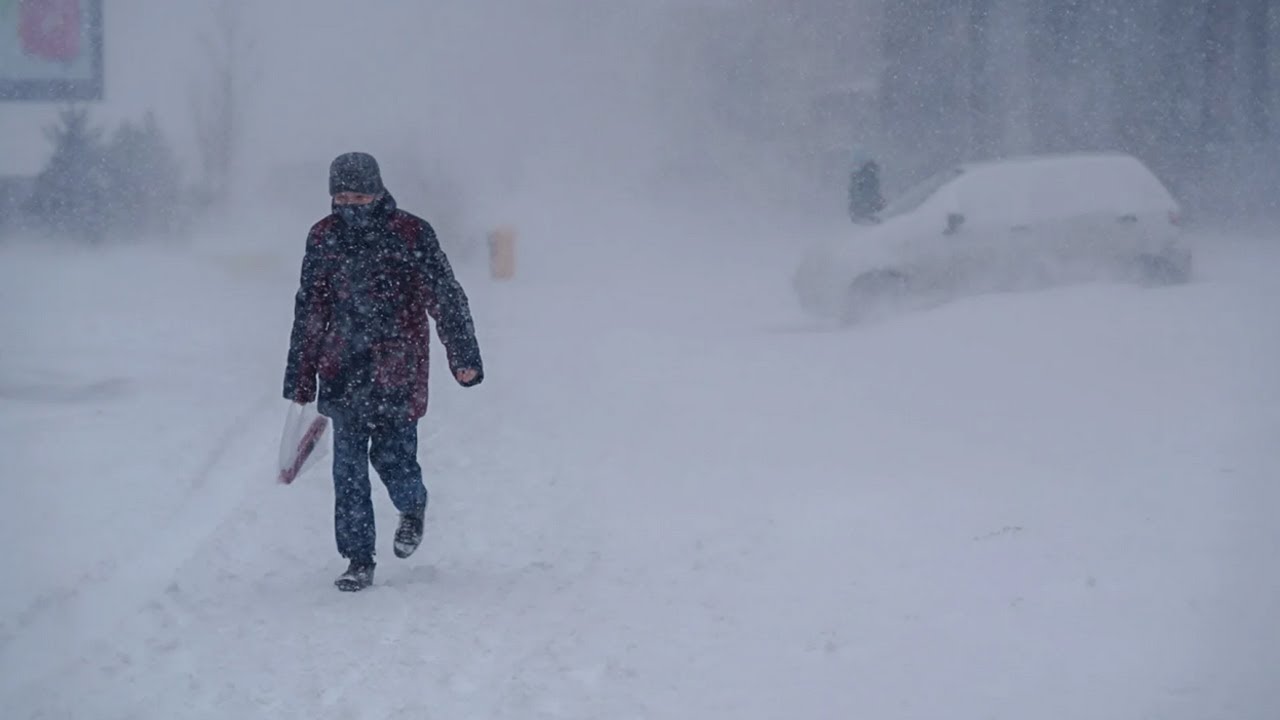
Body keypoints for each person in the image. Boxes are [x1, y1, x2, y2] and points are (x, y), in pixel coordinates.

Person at [283, 151, 484, 592]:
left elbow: (445, 296)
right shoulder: (323, 237)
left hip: (399, 366)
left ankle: (412, 506)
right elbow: (310, 308)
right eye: (341, 196)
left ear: (377, 191)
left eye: (358, 195)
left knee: (393, 459)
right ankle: (358, 559)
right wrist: (301, 375)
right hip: (342, 367)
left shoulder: (411, 233)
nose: (350, 205)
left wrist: (463, 356)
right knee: (348, 470)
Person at [847, 152, 886, 224]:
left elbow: (854, 192)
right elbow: (867, 192)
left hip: (862, 208)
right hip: (865, 207)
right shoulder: (868, 176)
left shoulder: (860, 176)